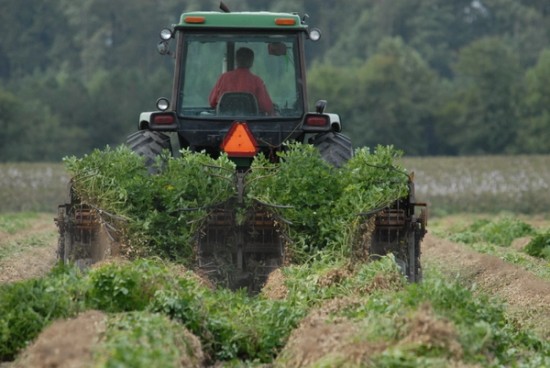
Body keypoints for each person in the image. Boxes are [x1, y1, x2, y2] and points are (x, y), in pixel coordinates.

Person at [209, 47, 274, 115]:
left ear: (236, 60)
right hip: (251, 123)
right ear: (251, 61)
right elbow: (266, 107)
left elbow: (212, 102)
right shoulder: (257, 81)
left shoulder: (223, 78)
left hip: (225, 123)